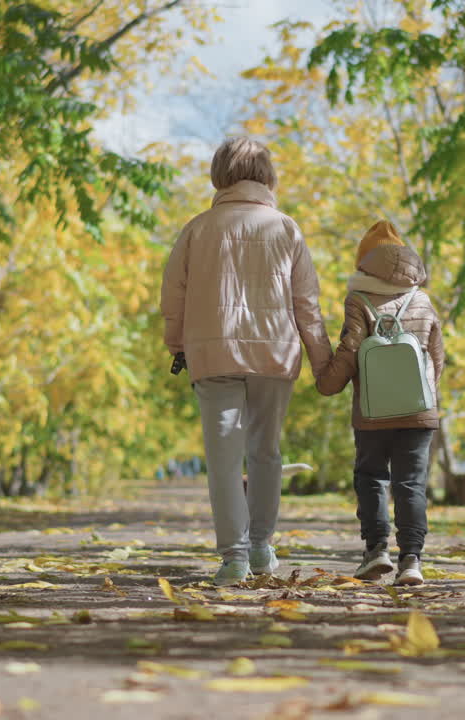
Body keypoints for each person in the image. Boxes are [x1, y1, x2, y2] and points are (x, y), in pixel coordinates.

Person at [161, 137, 332, 586]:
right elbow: (306, 303)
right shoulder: (286, 229)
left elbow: (173, 294)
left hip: (212, 352)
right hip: (275, 352)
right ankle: (260, 547)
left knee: (223, 458)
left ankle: (233, 558)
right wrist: (322, 359)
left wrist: (176, 341)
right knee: (265, 452)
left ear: (219, 174)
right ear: (267, 175)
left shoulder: (198, 228)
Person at [316, 220, 444, 586]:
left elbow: (351, 349)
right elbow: (437, 356)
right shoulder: (422, 300)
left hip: (372, 413)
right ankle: (412, 560)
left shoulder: (358, 299)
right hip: (420, 412)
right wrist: (425, 397)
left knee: (371, 477)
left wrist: (328, 383)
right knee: (412, 484)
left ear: (364, 264)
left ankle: (376, 552)